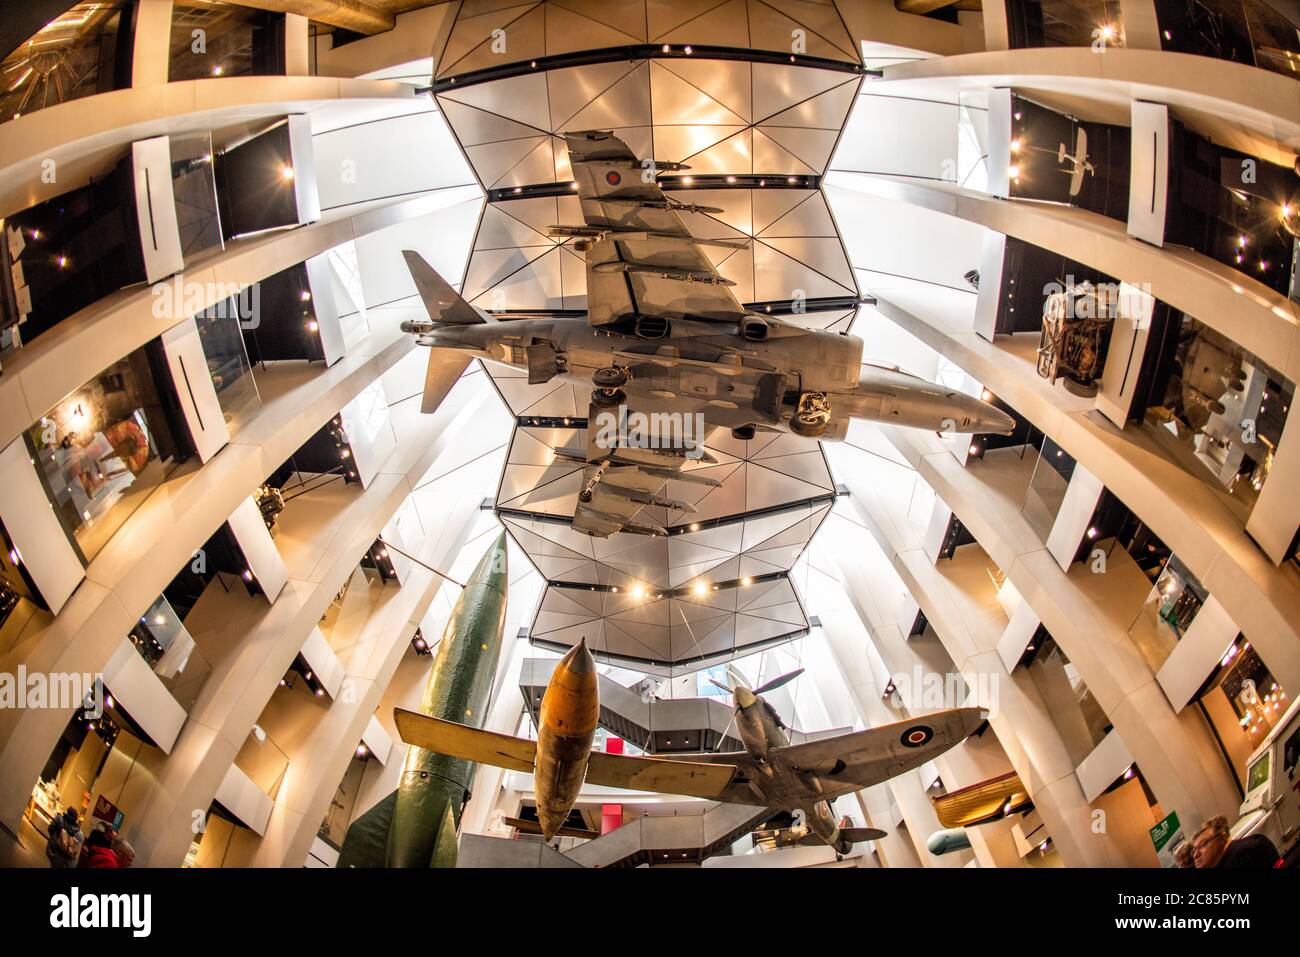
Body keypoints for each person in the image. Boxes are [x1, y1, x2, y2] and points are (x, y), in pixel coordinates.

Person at [1191, 815, 1281, 868]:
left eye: (1203, 844)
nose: (1196, 855)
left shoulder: (1251, 849)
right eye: (1194, 850)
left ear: (1222, 838)